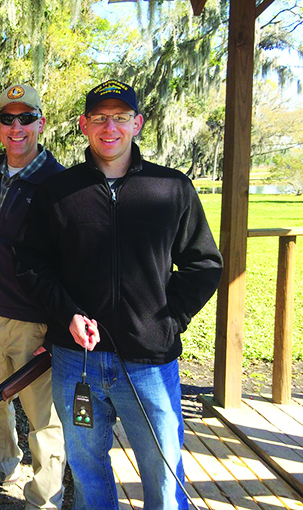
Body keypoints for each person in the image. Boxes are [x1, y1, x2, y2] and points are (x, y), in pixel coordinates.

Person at [14, 80, 223, 509]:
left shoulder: (171, 188)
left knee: (164, 476)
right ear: (84, 126)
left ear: (138, 124)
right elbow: (32, 264)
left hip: (150, 363)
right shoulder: (58, 193)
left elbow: (204, 265)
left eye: (121, 117)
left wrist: (167, 321)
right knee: (89, 472)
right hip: (78, 363)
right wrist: (67, 314)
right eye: (99, 118)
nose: (110, 127)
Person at [0, 83, 66, 510]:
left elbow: (72, 261)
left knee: (43, 415)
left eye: (25, 118)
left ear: (41, 123)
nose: (16, 127)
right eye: (7, 118)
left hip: (36, 319)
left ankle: (45, 495)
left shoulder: (60, 183)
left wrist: (57, 327)